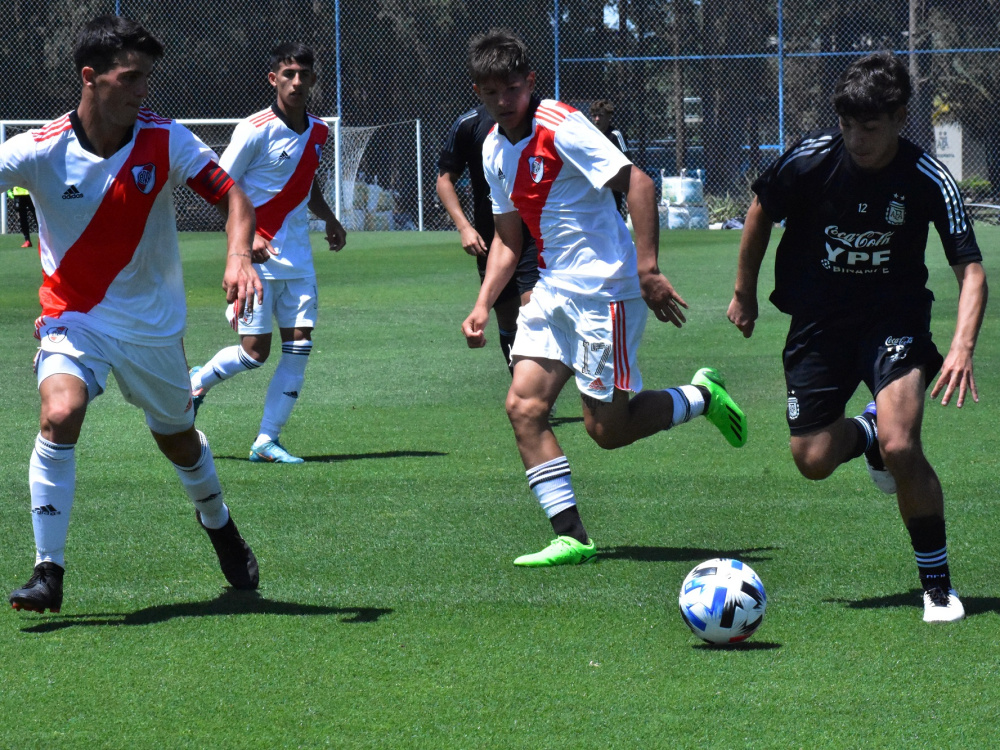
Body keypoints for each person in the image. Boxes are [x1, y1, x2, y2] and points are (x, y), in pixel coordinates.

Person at [2, 15, 262, 613]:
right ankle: (47, 571)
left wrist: (239, 255)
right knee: (60, 413)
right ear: (90, 77)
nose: (144, 90)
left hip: (151, 327)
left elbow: (234, 197)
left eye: (147, 77)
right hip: (74, 316)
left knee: (178, 442)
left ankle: (218, 522)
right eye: (131, 78)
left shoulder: (166, 140)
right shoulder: (38, 150)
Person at [461, 29, 747, 567]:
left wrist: (648, 269)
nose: (503, 100)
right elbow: (507, 239)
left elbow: (638, 183)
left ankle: (701, 396)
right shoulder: (492, 148)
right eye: (491, 92)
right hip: (552, 292)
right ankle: (571, 536)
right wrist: (482, 304)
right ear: (478, 92)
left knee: (606, 432)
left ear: (530, 82)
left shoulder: (562, 125)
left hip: (605, 294)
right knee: (523, 406)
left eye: (512, 88)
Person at [727, 52, 987, 623]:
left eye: (869, 127)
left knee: (902, 445)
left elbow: (971, 269)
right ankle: (865, 432)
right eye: (847, 126)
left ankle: (938, 588)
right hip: (819, 324)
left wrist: (962, 346)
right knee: (813, 458)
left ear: (899, 118)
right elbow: (760, 211)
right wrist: (744, 293)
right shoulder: (810, 160)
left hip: (893, 321)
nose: (857, 140)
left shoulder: (927, 177)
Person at [189, 43, 347, 464]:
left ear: (313, 80)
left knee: (300, 347)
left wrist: (329, 218)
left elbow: (306, 180)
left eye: (304, 74)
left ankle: (266, 441)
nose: (297, 82)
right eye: (288, 74)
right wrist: (248, 238)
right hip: (256, 262)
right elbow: (218, 186)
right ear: (274, 79)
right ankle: (196, 383)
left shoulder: (319, 131)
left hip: (299, 261)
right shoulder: (254, 129)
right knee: (253, 354)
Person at [438, 105, 540, 375]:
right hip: (494, 237)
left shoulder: (541, 119)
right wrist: (464, 227)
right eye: (491, 90)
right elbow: (444, 180)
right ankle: (521, 384)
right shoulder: (469, 124)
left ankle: (535, 388)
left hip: (535, 235)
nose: (502, 98)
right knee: (507, 318)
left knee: (534, 311)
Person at [589, 99, 629, 218]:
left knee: (613, 219)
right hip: (593, 186)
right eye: (594, 115)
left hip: (612, 187)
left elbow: (627, 164)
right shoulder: (589, 135)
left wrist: (628, 193)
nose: (597, 119)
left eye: (600, 115)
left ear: (609, 116)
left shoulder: (616, 135)